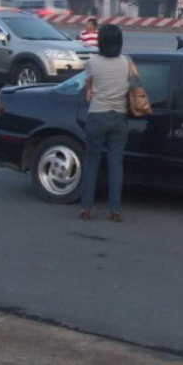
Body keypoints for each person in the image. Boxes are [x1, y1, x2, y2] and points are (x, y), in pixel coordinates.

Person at [79, 24, 131, 222]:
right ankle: (114, 210)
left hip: (97, 115)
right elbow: (136, 80)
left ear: (100, 41)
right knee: (116, 164)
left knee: (92, 162)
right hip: (119, 116)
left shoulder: (92, 63)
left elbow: (88, 92)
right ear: (119, 42)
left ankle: (86, 208)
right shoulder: (126, 62)